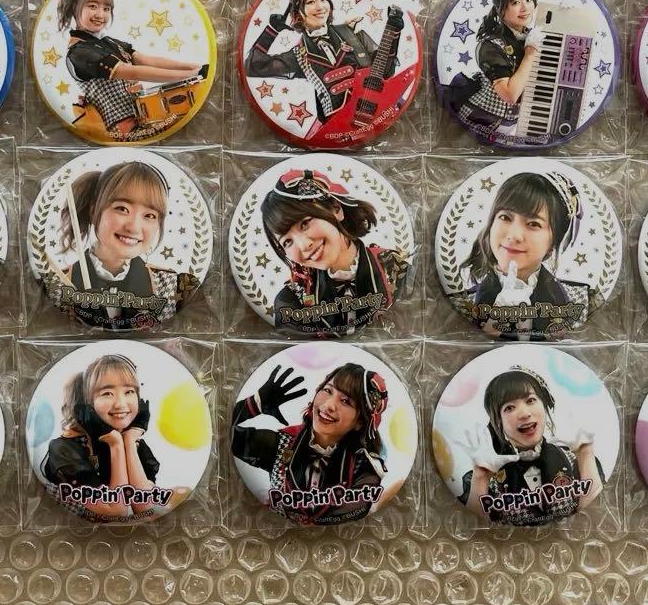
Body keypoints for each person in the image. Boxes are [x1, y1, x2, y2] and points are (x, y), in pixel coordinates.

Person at [232, 362, 389, 525]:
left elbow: (344, 517)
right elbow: (222, 434)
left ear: (360, 422)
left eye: (345, 401)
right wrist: (254, 404)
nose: (328, 405)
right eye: (328, 390)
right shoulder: (282, 444)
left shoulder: (365, 467)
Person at [244, 0, 404, 134]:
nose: (320, 7)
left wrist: (394, 31)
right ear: (298, 12)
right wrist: (272, 31)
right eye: (310, 2)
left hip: (378, 117)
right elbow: (253, 67)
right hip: (336, 128)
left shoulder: (352, 34)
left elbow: (385, 73)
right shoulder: (299, 55)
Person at [259, 169, 407, 337]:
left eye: (305, 223)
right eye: (287, 241)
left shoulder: (394, 268)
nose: (304, 245)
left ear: (336, 209)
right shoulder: (290, 303)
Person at [50, 161, 198, 329]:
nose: (134, 227)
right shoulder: (56, 286)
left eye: (149, 215)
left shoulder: (175, 289)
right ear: (93, 211)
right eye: (122, 209)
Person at [58, 0, 205, 142]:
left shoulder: (108, 42)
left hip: (142, 117)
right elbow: (133, 72)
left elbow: (147, 60)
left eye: (106, 9)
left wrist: (195, 68)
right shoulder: (79, 52)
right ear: (75, 8)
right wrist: (191, 75)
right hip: (123, 130)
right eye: (92, 6)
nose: (101, 15)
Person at [460, 366, 604, 525]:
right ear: (498, 421)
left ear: (545, 405)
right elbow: (476, 531)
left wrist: (585, 453)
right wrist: (480, 478)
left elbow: (593, 520)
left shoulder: (574, 460)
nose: (524, 414)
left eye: (530, 400)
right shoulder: (488, 476)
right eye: (509, 408)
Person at [459, 171, 589, 338]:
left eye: (533, 223)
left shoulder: (579, 300)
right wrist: (495, 321)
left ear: (553, 243)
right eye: (505, 217)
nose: (514, 235)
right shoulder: (462, 303)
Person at [42, 353, 164, 522]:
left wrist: (128, 441)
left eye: (129, 391)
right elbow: (116, 512)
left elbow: (146, 509)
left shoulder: (133, 443)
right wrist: (116, 445)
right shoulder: (64, 449)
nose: (121, 404)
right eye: (107, 393)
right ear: (87, 404)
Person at [444, 0, 545, 137]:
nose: (525, 7)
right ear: (501, 10)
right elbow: (510, 95)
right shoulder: (491, 45)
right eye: (515, 2)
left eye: (528, 0)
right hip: (477, 119)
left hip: (507, 125)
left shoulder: (530, 37)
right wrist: (530, 54)